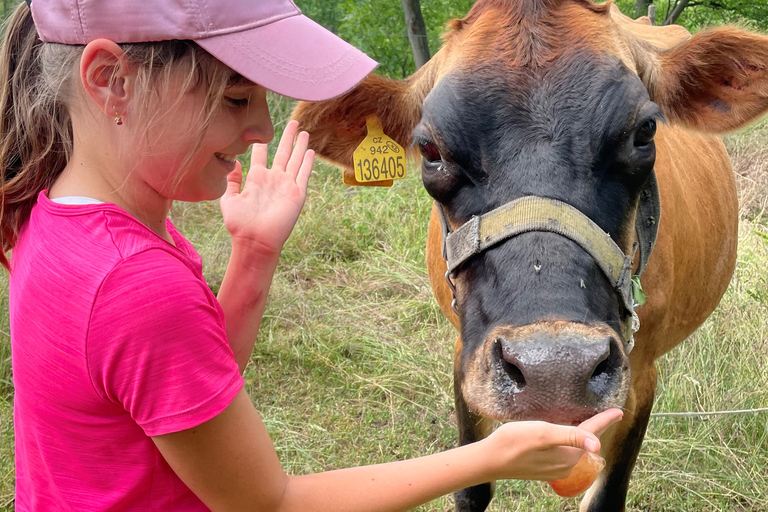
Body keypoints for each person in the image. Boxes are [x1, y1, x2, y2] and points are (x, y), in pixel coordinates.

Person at [1, 0, 624, 510]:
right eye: (235, 98)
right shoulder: (136, 284)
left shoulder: (54, 216)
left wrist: (252, 255)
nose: (264, 130)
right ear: (113, 81)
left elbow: (179, 385)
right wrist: (490, 458)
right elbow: (269, 504)